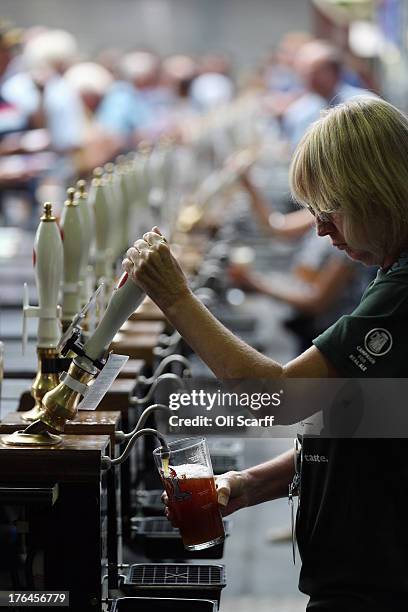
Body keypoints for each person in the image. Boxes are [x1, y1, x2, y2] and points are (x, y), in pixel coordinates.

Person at [122, 95, 408, 610]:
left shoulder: (403, 289)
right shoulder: (389, 272)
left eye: (330, 210)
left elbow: (278, 399)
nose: (321, 229)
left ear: (374, 194)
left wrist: (175, 297)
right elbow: (367, 427)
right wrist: (247, 483)